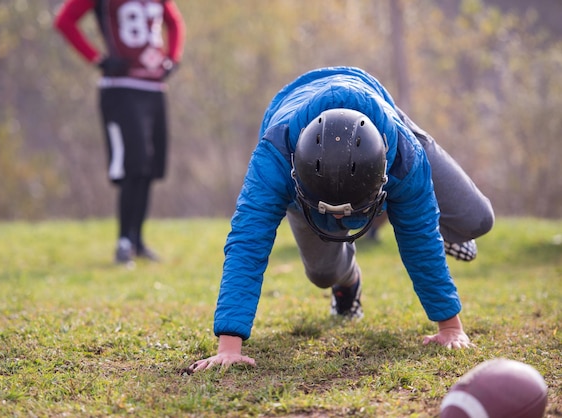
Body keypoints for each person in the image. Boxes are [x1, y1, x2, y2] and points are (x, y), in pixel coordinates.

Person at [189, 66, 494, 372]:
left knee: (477, 219)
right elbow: (247, 244)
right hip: (298, 152)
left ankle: (438, 223)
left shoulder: (404, 158)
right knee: (323, 274)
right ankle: (349, 279)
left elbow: (420, 237)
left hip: (381, 115)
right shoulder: (274, 159)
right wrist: (229, 345)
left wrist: (450, 327)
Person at [54, 0, 185, 264]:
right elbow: (64, 21)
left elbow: (175, 22)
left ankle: (137, 240)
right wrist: (97, 59)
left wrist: (173, 57)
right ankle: (123, 241)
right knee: (133, 165)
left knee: (150, 167)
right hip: (121, 89)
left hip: (154, 90)